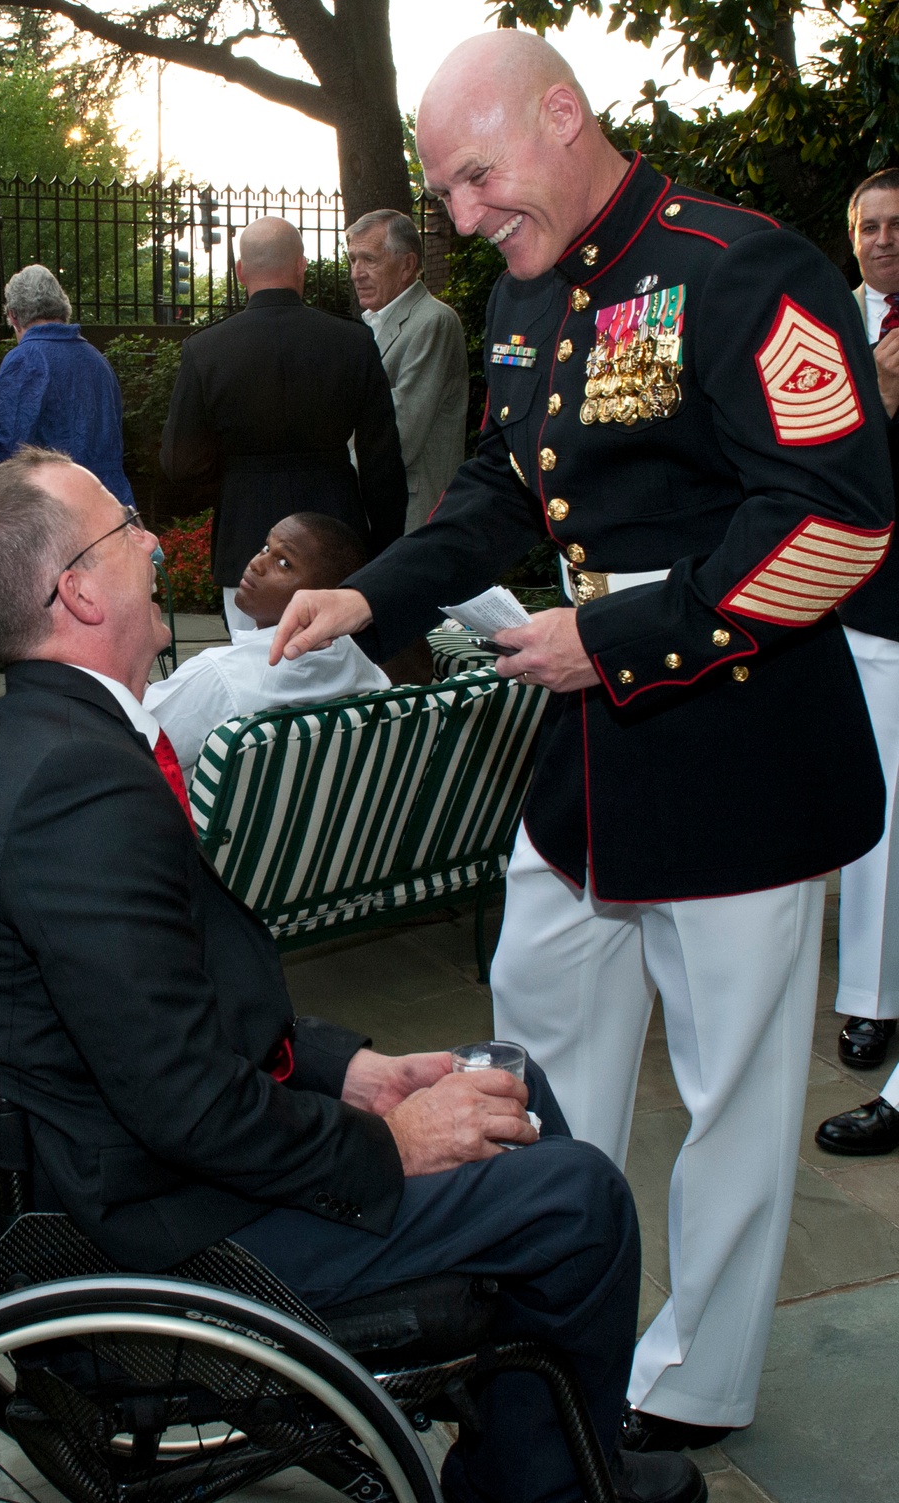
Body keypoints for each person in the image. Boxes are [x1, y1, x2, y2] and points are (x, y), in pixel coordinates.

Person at [270, 30, 894, 1454]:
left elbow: (836, 518)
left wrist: (605, 641)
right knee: (534, 1051)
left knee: (734, 1092)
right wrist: (374, 587)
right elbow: (503, 487)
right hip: (579, 781)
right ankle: (542, 1316)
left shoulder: (742, 268)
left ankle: (695, 1377)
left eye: (482, 175)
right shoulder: (529, 293)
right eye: (450, 195)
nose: (471, 216)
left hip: (737, 760)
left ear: (565, 115)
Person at [0, 448, 703, 1503]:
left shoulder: (56, 742)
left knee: (517, 1089)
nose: (154, 545)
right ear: (79, 591)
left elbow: (176, 1013)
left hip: (134, 1167)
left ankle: (535, 1456)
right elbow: (182, 1100)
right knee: (577, 1201)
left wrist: (348, 1069)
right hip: (161, 1238)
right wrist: (385, 1142)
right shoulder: (74, 790)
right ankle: (545, 1483)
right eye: (126, 530)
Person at [160, 217, 407, 633]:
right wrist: (382, 548)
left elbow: (179, 462)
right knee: (338, 673)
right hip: (336, 533)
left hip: (246, 537)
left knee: (253, 674)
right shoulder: (353, 341)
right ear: (301, 267)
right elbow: (383, 461)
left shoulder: (206, 350)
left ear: (241, 272)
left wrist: (235, 476)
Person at [814, 169, 899, 1158]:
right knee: (875, 816)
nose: (882, 239)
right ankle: (871, 1001)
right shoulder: (827, 329)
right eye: (868, 226)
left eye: (895, 226)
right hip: (866, 605)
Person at [144, 512, 389, 782]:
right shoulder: (365, 669)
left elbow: (135, 749)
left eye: (284, 563)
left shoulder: (220, 677)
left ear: (326, 596)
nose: (257, 564)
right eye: (265, 547)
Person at [347, 209, 468, 531]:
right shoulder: (369, 325)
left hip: (411, 516)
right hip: (377, 509)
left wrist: (326, 473)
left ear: (407, 265)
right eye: (352, 260)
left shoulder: (432, 322)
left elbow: (399, 437)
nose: (356, 273)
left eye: (369, 259)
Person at [0, 265, 133, 506]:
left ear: (13, 315)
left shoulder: (25, 358)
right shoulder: (97, 360)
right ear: (63, 308)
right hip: (111, 504)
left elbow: (4, 460)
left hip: (55, 512)